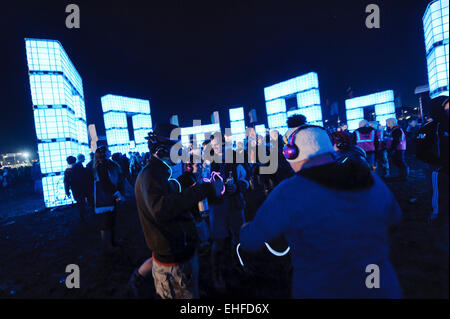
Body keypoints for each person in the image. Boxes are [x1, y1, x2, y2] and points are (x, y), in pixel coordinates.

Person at [239, 124, 403, 298]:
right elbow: (394, 219)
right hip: (379, 285)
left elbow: (251, 240)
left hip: (323, 289)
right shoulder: (368, 178)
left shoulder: (290, 191)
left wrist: (244, 229)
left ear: (292, 153)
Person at [129, 123, 223, 299]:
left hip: (179, 254)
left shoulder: (158, 172)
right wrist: (204, 190)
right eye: (177, 147)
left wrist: (189, 179)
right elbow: (162, 208)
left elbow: (172, 190)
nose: (180, 153)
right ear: (163, 149)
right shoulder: (150, 175)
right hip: (173, 261)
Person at [208, 132, 249, 290]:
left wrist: (237, 187)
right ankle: (217, 274)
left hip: (235, 205)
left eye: (220, 144)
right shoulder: (207, 163)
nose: (218, 147)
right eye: (215, 144)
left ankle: (238, 266)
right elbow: (200, 184)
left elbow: (246, 180)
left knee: (239, 239)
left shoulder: (236, 162)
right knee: (219, 242)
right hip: (217, 208)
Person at [416, 95, 449, 251]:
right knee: (440, 201)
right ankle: (438, 231)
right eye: (446, 107)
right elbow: (420, 151)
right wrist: (438, 163)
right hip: (440, 171)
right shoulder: (429, 128)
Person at [93, 146, 125, 253]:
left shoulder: (108, 164)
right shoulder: (102, 166)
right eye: (108, 150)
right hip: (106, 197)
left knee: (111, 220)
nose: (110, 151)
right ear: (105, 154)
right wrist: (116, 193)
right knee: (106, 222)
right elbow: (105, 183)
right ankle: (107, 246)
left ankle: (112, 241)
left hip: (110, 195)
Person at [64, 155, 90, 222]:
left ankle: (82, 216)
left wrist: (67, 191)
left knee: (79, 202)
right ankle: (86, 213)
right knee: (84, 201)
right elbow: (86, 176)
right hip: (84, 187)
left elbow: (66, 182)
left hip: (75, 189)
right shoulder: (80, 167)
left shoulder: (67, 170)